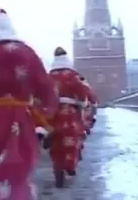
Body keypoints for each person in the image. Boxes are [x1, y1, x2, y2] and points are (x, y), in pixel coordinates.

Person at [0, 7, 57, 200]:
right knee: (16, 168)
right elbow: (45, 87)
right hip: (15, 120)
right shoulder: (24, 52)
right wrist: (44, 117)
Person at [46, 47, 89, 188]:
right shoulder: (72, 75)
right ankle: (70, 165)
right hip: (69, 112)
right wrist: (82, 103)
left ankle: (58, 171)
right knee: (71, 139)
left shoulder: (49, 76)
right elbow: (82, 93)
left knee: (56, 142)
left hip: (52, 113)